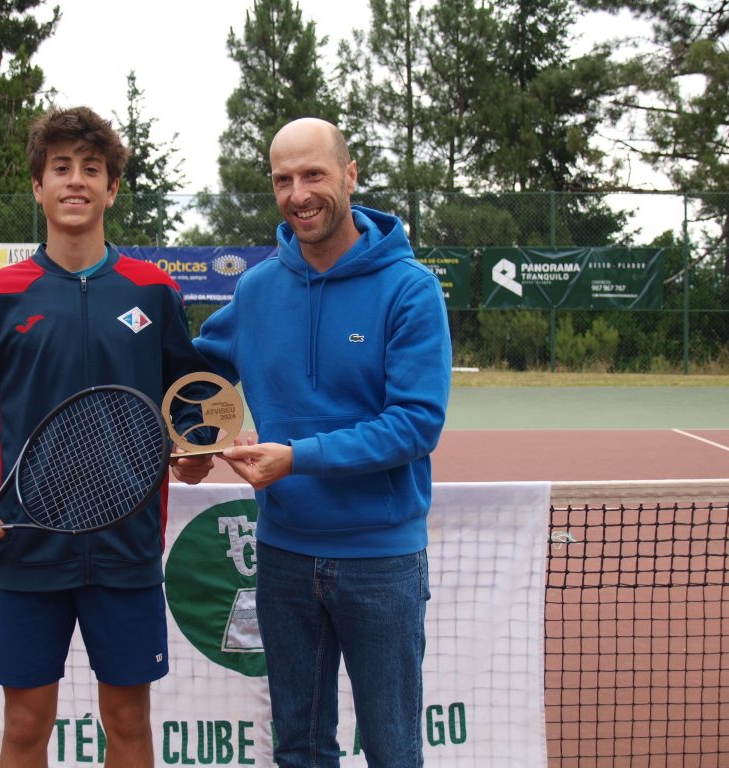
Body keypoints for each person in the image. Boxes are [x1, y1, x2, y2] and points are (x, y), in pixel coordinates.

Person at [0, 105, 213, 768]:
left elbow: (187, 395)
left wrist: (193, 450)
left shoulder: (155, 291)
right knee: (24, 727)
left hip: (126, 547)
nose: (75, 181)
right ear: (37, 187)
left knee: (129, 723)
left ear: (112, 188)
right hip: (26, 548)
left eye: (91, 169)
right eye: (60, 168)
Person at [193, 117, 452, 767]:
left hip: (382, 562)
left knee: (393, 750)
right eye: (283, 180)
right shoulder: (256, 290)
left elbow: (417, 424)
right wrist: (189, 445)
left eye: (313, 174)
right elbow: (196, 379)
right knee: (301, 750)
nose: (299, 194)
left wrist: (296, 459)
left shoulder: (410, 289)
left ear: (349, 175)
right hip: (283, 557)